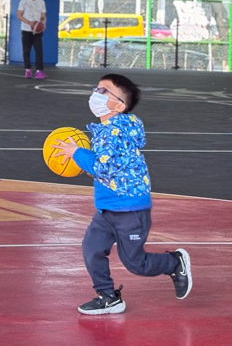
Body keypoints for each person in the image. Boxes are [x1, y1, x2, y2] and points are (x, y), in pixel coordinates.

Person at [53, 73, 192, 316]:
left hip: (129, 209)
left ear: (118, 106)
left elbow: (102, 167)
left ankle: (174, 263)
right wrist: (84, 159)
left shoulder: (114, 132)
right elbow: (106, 167)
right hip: (107, 208)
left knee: (135, 263)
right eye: (96, 88)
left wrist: (76, 153)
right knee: (92, 249)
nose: (96, 93)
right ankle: (108, 297)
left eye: (103, 91)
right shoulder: (108, 130)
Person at [17, 0, 46, 79]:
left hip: (37, 31)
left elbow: (43, 16)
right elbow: (19, 15)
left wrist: (43, 23)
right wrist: (29, 23)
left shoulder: (41, 2)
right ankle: (28, 69)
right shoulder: (23, 2)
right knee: (26, 51)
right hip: (26, 30)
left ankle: (39, 71)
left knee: (39, 51)